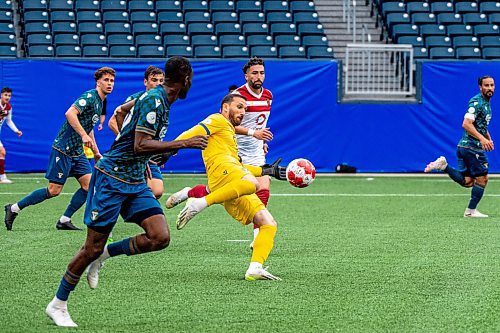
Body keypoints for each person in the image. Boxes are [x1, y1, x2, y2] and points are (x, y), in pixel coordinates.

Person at [45, 57, 208, 328]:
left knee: (159, 237)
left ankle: (105, 255)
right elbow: (139, 145)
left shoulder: (160, 101)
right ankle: (58, 304)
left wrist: (163, 151)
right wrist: (185, 142)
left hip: (133, 179)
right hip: (111, 178)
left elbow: (121, 112)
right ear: (186, 79)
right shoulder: (154, 100)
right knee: (89, 248)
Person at [169, 93, 287, 282]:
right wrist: (171, 147)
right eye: (239, 107)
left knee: (268, 223)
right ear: (225, 107)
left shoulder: (229, 134)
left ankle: (255, 268)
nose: (243, 112)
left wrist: (266, 170)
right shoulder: (217, 119)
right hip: (222, 172)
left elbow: (239, 167)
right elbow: (194, 132)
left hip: (230, 179)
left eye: (245, 109)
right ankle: (200, 203)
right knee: (252, 184)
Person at [167, 57, 274, 246]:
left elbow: (260, 122)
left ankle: (258, 234)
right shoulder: (237, 95)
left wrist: (261, 140)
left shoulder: (268, 96)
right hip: (236, 148)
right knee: (229, 188)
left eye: (262, 72)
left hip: (256, 149)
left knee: (263, 188)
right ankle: (192, 194)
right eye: (255, 73)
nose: (259, 76)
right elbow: (229, 123)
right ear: (246, 75)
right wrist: (252, 133)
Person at [4, 67, 115, 231]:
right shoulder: (90, 97)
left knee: (88, 185)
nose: (110, 84)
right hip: (63, 148)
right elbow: (70, 114)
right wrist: (83, 136)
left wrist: (96, 151)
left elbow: (89, 127)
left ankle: (64, 219)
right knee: (54, 190)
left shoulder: (101, 102)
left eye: (112, 81)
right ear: (98, 81)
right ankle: (13, 208)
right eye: (106, 80)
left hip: (77, 151)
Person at [425, 75, 495, 218]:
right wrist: (482, 138)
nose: (489, 88)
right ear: (480, 87)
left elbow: (479, 124)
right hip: (471, 147)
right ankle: (470, 211)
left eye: (492, 85)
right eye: (486, 85)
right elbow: (466, 123)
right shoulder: (477, 102)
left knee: (468, 182)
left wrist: (488, 137)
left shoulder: (486, 104)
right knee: (483, 178)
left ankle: (444, 166)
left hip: (465, 147)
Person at [108, 65, 166, 199]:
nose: (158, 84)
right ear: (145, 82)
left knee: (157, 191)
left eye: (161, 81)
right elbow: (112, 121)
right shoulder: (137, 99)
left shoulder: (162, 101)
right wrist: (130, 144)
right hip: (134, 152)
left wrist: (158, 151)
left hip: (149, 153)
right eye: (154, 80)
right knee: (135, 187)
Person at [0, 87, 22, 184]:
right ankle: (2, 177)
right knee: (2, 152)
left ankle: (2, 177)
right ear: (1, 95)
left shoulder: (9, 107)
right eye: (5, 95)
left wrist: (16, 130)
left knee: (2, 153)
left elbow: (8, 120)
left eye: (9, 96)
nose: (7, 97)